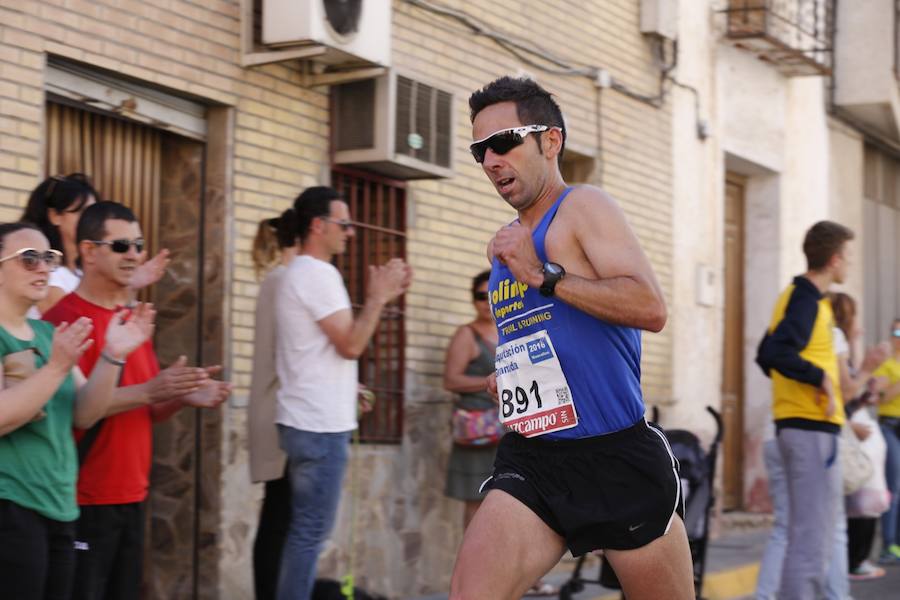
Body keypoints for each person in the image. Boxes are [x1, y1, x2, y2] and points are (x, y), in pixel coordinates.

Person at [450, 76, 693, 600]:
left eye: (505, 142)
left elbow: (649, 308)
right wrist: (507, 373)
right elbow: (548, 338)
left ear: (550, 141)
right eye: (479, 149)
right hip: (534, 458)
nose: (491, 159)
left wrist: (543, 275)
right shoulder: (505, 250)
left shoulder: (583, 208)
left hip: (615, 455)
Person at [42, 201, 231, 600]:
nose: (134, 255)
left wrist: (180, 395)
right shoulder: (64, 320)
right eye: (122, 245)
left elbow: (144, 408)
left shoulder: (132, 320)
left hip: (132, 496)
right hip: (83, 499)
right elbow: (78, 410)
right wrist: (153, 389)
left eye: (139, 245)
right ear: (89, 252)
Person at [0, 221, 155, 600]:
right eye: (28, 258)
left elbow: (84, 414)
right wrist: (54, 368)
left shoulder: (49, 336)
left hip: (61, 506)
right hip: (11, 506)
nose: (44, 268)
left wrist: (112, 356)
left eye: (49, 258)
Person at [274, 186, 412, 600]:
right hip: (318, 427)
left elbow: (314, 350)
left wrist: (345, 382)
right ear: (318, 226)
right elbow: (351, 344)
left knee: (302, 532)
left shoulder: (298, 273)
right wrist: (377, 298)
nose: (350, 233)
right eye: (344, 223)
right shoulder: (318, 273)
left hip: (305, 420)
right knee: (308, 535)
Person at [756, 221, 856, 599]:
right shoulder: (806, 300)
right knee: (813, 542)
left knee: (806, 536)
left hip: (801, 427)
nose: (849, 263)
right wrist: (821, 379)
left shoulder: (797, 296)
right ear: (834, 259)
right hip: (811, 429)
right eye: (848, 256)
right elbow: (775, 354)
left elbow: (766, 354)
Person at [21, 173, 169, 317]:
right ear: (55, 216)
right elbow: (81, 323)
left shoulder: (81, 273)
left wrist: (128, 284)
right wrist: (128, 287)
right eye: (82, 212)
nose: (91, 218)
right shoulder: (47, 275)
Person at [249, 210, 298, 600]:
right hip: (286, 413)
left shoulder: (278, 280)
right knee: (281, 520)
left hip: (279, 409)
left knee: (279, 516)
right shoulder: (288, 281)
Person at [874, 317, 900, 564]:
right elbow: (880, 398)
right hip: (891, 426)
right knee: (893, 486)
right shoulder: (886, 365)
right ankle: (889, 544)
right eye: (897, 332)